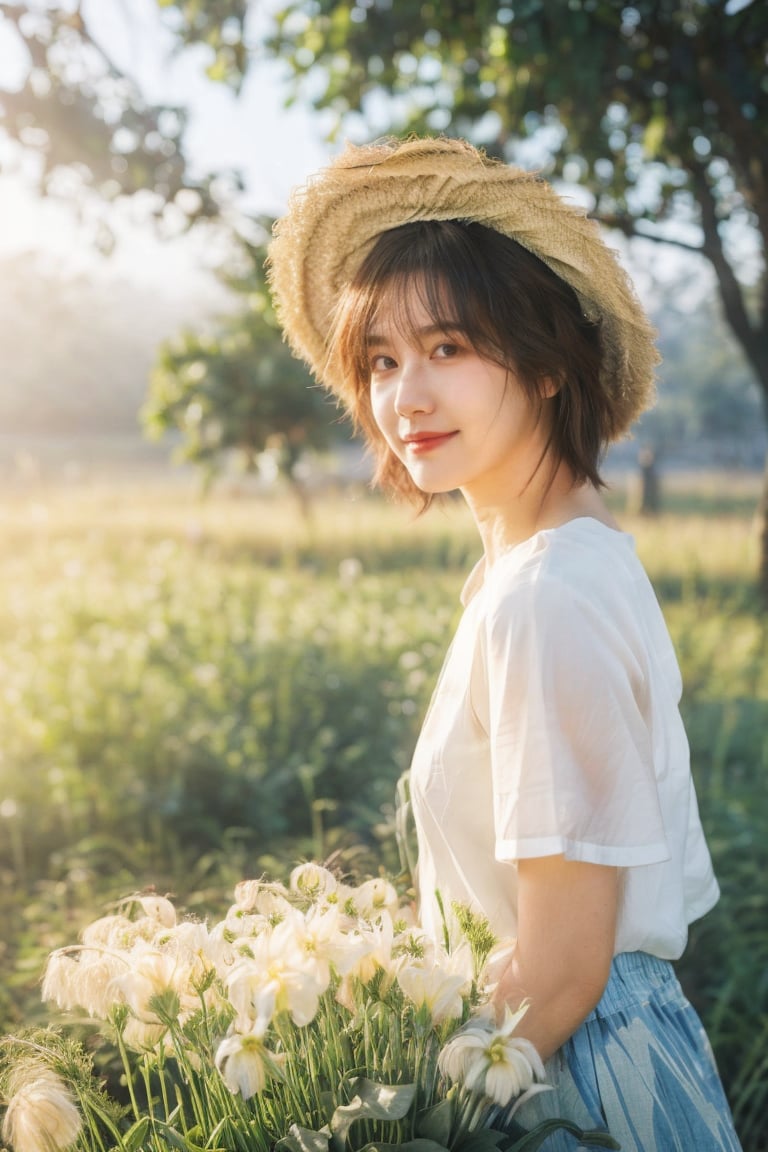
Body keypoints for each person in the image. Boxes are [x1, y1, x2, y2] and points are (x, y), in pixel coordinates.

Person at [267, 136, 742, 1152]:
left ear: (548, 365)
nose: (407, 398)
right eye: (382, 361)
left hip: (568, 1078)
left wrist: (409, 1111)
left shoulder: (547, 595)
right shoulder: (552, 565)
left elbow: (565, 966)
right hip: (572, 1052)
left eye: (449, 349)